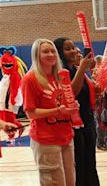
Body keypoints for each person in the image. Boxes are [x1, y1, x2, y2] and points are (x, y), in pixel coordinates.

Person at [21, 39, 75, 186]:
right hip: (45, 139)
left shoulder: (61, 75)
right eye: (45, 52)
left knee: (70, 181)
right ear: (36, 55)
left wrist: (72, 106)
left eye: (53, 51)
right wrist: (57, 111)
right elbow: (30, 113)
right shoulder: (30, 79)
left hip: (66, 136)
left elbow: (65, 101)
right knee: (54, 182)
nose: (51, 54)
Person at [54, 37, 100, 186]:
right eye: (68, 49)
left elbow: (87, 95)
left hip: (87, 121)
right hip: (74, 125)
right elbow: (70, 94)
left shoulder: (75, 69)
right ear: (59, 53)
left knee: (90, 163)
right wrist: (82, 69)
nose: (73, 51)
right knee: (79, 164)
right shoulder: (61, 72)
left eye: (73, 47)